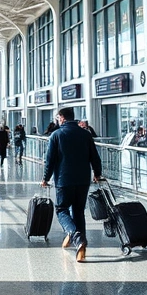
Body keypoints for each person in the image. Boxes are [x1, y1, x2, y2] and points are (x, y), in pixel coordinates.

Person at [41, 107, 102, 262]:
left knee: (61, 209)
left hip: (64, 179)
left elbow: (50, 160)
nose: (57, 120)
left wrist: (45, 178)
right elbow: (95, 156)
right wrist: (97, 173)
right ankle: (81, 248)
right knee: (78, 211)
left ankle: (76, 236)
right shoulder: (85, 134)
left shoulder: (56, 135)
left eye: (57, 117)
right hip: (83, 180)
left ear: (62, 118)